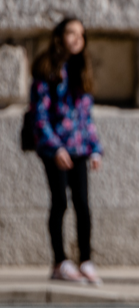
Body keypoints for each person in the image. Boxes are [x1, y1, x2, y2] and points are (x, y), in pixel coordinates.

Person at [29, 18, 104, 285]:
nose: (77, 39)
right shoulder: (48, 68)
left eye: (81, 35)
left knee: (83, 204)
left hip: (80, 147)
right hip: (54, 149)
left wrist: (95, 149)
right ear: (60, 36)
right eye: (72, 33)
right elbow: (39, 115)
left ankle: (86, 260)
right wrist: (55, 147)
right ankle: (59, 261)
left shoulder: (82, 69)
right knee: (60, 202)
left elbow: (86, 116)